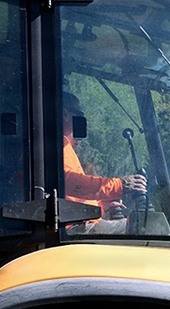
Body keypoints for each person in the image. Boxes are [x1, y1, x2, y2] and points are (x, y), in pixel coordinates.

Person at [61, 92, 146, 231]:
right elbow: (66, 182)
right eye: (79, 114)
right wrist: (118, 186)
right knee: (141, 227)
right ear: (65, 114)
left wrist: (100, 206)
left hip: (75, 224)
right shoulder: (54, 145)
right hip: (68, 229)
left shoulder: (65, 147)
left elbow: (70, 196)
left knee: (139, 224)